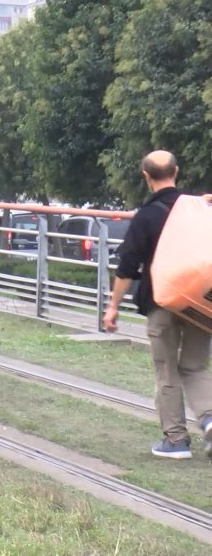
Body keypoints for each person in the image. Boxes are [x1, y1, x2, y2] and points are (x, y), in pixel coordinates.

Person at [104, 150, 212, 460]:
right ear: (176, 171)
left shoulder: (146, 216)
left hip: (161, 301)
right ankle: (208, 418)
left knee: (166, 370)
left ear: (146, 175)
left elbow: (127, 267)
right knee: (195, 367)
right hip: (198, 302)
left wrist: (113, 307)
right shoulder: (198, 208)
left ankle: (176, 440)